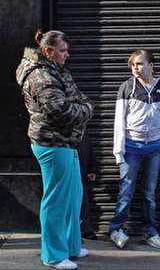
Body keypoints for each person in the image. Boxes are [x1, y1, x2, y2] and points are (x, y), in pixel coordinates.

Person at [16, 30, 94, 270]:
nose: (66, 55)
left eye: (67, 50)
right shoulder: (41, 76)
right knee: (57, 199)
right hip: (51, 143)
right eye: (62, 51)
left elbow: (76, 96)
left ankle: (70, 246)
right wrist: (88, 110)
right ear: (48, 51)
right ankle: (53, 254)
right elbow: (60, 111)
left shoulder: (55, 70)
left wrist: (82, 105)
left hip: (66, 142)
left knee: (73, 196)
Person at [109, 49, 160, 250]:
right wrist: (118, 152)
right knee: (126, 191)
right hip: (131, 147)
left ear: (151, 65)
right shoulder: (126, 87)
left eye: (139, 63)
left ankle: (150, 232)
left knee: (149, 193)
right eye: (132, 64)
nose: (135, 68)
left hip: (154, 148)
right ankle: (117, 230)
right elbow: (118, 123)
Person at [78, 130, 98, 240]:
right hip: (66, 159)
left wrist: (92, 167)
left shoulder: (81, 125)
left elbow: (87, 145)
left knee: (82, 198)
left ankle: (85, 228)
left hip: (80, 163)